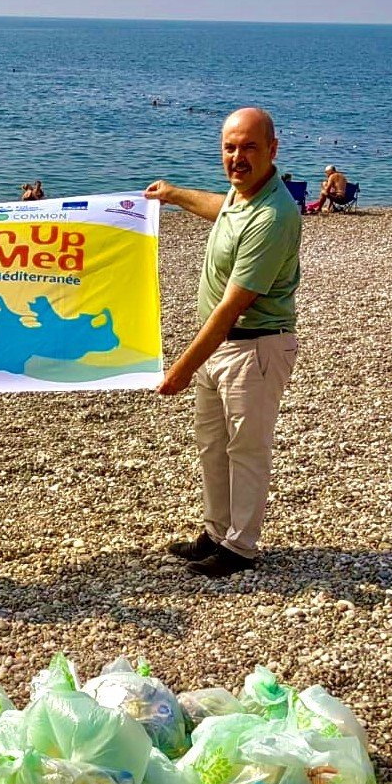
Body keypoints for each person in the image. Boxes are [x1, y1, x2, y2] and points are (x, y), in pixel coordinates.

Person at [144, 107, 301, 578]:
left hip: (253, 348)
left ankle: (241, 548)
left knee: (246, 449)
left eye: (249, 147)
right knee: (212, 444)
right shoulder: (244, 197)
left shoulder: (273, 215)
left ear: (272, 150)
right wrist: (173, 195)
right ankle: (215, 532)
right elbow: (223, 209)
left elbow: (231, 307)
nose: (238, 157)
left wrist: (181, 368)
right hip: (222, 350)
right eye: (230, 147)